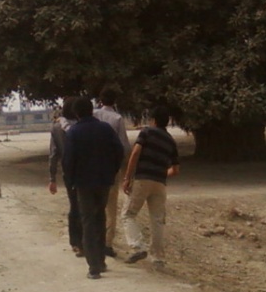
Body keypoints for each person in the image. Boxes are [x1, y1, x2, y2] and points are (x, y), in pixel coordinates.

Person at [61, 97, 124, 279]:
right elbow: (118, 151)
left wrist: (71, 180)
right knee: (100, 217)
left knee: (87, 220)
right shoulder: (105, 129)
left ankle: (93, 267)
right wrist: (111, 171)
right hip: (104, 181)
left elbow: (68, 160)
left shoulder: (74, 132)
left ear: (77, 113)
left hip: (83, 183)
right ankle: (101, 260)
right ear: (91, 110)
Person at [121, 105, 180, 268]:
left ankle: (138, 246)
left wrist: (127, 177)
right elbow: (175, 170)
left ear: (153, 120)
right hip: (160, 183)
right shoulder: (170, 141)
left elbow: (135, 153)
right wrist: (161, 173)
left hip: (142, 179)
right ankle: (158, 258)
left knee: (128, 214)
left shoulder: (147, 132)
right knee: (157, 220)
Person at [93, 88, 130, 258]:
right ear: (115, 101)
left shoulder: (93, 114)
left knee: (94, 204)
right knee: (111, 206)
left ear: (100, 100)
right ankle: (107, 243)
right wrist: (126, 171)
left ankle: (93, 239)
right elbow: (123, 145)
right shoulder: (117, 118)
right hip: (110, 166)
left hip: (92, 166)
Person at [48, 98, 84, 258]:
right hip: (85, 170)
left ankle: (75, 242)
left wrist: (52, 178)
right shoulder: (80, 125)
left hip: (68, 171)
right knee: (86, 206)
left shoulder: (56, 128)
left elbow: (53, 154)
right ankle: (86, 240)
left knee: (74, 206)